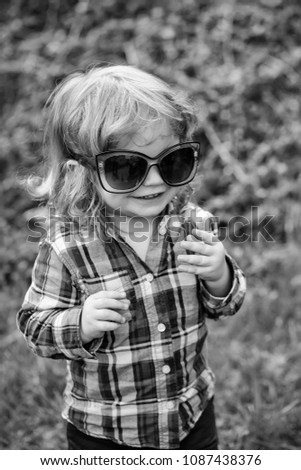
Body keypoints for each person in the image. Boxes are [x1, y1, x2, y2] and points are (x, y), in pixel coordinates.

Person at [17, 64, 246, 450]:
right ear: (81, 173)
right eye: (127, 168)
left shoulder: (194, 224)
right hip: (106, 431)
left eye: (172, 161)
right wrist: (81, 323)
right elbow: (36, 328)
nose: (155, 181)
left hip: (191, 414)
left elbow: (227, 303)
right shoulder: (66, 245)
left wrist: (219, 274)